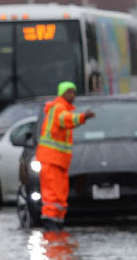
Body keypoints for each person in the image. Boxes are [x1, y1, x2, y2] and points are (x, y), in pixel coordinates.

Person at [35, 81, 95, 232]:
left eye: (74, 92)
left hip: (58, 161)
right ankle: (51, 224)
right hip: (51, 159)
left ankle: (57, 225)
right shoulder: (59, 108)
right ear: (62, 94)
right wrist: (83, 117)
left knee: (59, 195)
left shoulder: (60, 108)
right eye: (69, 92)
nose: (73, 95)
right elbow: (66, 119)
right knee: (52, 195)